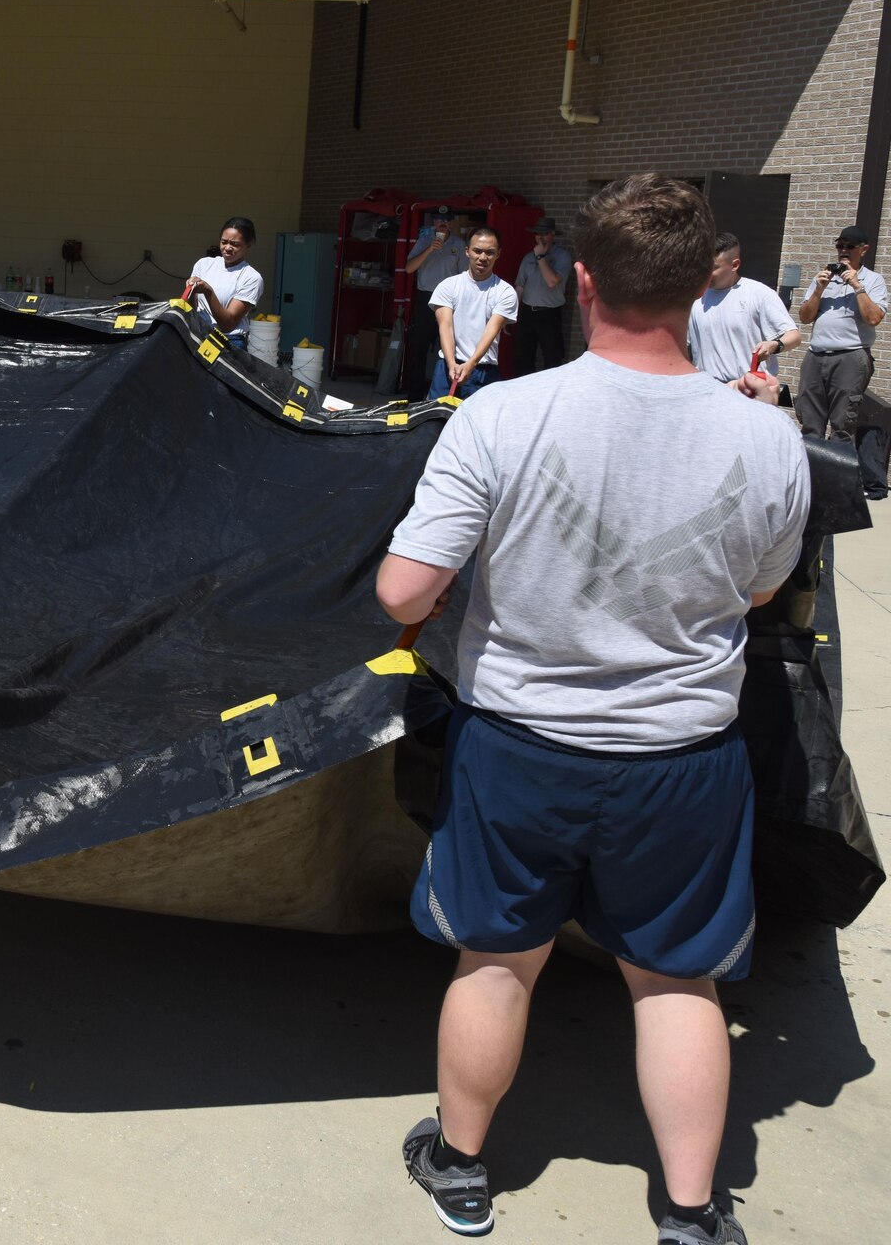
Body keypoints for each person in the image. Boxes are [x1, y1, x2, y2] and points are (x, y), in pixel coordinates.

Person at [379, 174, 809, 1245]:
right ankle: (691, 1211)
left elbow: (401, 591)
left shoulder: (501, 417)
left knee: (494, 962)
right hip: (680, 756)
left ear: (577, 282)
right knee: (673, 984)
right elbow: (759, 592)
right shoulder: (765, 441)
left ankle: (462, 1167)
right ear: (701, 285)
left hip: (519, 746)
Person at [795, 224, 885, 443]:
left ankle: (836, 476)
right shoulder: (824, 278)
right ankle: (811, 474)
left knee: (842, 426)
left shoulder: (873, 280)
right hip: (816, 356)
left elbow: (874, 318)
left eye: (850, 246)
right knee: (809, 422)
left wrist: (856, 285)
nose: (843, 250)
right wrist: (819, 289)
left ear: (863, 250)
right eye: (839, 246)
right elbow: (805, 317)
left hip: (850, 357)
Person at [686, 233, 800, 384]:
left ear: (735, 265)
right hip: (708, 388)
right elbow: (685, 345)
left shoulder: (759, 294)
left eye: (713, 268)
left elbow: (794, 336)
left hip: (748, 389)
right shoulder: (696, 298)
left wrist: (774, 345)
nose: (706, 273)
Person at [427, 227, 517, 400]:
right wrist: (451, 362)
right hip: (447, 367)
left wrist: (471, 363)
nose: (483, 257)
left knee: (479, 426)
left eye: (489, 253)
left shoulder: (505, 292)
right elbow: (445, 327)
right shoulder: (448, 286)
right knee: (437, 424)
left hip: (483, 370)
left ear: (498, 254)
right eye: (477, 251)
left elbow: (491, 331)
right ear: (467, 251)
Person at [185, 217, 264, 346]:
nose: (227, 248)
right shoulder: (203, 264)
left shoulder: (251, 277)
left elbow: (228, 324)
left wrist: (208, 291)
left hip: (228, 341)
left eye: (235, 244)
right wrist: (191, 291)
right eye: (224, 242)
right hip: (199, 334)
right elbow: (189, 311)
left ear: (248, 245)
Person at [513, 217, 574, 373]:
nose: (540, 238)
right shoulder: (528, 257)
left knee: (552, 358)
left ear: (553, 235)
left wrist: (540, 257)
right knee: (523, 357)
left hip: (549, 313)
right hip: (527, 312)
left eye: (545, 234)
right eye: (537, 234)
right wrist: (511, 314)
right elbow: (520, 286)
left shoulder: (562, 257)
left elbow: (552, 281)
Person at [405, 205, 467, 332]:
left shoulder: (459, 243)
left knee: (446, 341)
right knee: (420, 342)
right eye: (439, 219)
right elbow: (409, 268)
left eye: (446, 220)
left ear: (451, 223)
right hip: (426, 298)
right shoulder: (424, 240)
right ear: (434, 222)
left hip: (448, 299)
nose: (443, 223)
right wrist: (429, 249)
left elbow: (464, 275)